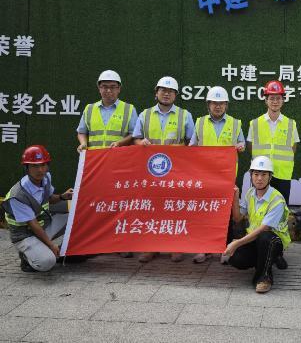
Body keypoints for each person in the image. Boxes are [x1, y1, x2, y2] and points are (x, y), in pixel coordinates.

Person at [133, 76, 195, 263]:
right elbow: (136, 138)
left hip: (176, 171)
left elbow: (192, 143)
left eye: (170, 91)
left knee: (174, 208)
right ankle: (150, 248)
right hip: (150, 170)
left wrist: (180, 150)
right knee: (151, 209)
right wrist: (141, 143)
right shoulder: (145, 115)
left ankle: (175, 247)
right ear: (156, 93)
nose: (166, 94)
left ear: (175, 95)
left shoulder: (185, 115)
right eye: (163, 90)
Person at [190, 86, 245, 264]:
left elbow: (242, 143)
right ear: (208, 104)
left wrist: (241, 146)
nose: (218, 106)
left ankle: (224, 250)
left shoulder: (235, 123)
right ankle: (203, 249)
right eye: (214, 103)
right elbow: (192, 147)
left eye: (221, 103)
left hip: (226, 177)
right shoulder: (199, 123)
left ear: (226, 105)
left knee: (225, 214)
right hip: (205, 176)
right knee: (204, 212)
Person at [225, 156, 291, 294]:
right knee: (236, 259)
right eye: (256, 174)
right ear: (251, 175)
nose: (259, 178)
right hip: (255, 239)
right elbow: (237, 218)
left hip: (274, 241)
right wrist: (235, 196)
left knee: (265, 237)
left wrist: (237, 243)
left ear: (270, 177)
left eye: (264, 174)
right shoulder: (250, 193)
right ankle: (268, 260)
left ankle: (264, 277)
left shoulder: (276, 200)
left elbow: (263, 229)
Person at [2, 146, 73, 272]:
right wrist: (51, 245)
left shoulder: (46, 178)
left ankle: (60, 250)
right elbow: (33, 225)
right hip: (24, 235)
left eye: (43, 165)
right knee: (48, 262)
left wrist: (62, 197)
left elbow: (49, 198)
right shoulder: (18, 195)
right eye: (34, 166)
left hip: (42, 225)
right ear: (27, 168)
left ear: (47, 166)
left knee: (74, 218)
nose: (40, 170)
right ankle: (26, 257)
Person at [247, 80, 299, 206]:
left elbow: (294, 147)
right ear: (266, 100)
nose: (275, 101)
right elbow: (250, 146)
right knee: (259, 209)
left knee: (281, 209)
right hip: (261, 175)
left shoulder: (291, 124)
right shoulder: (255, 123)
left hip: (283, 175)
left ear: (283, 100)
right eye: (271, 98)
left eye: (278, 98)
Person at [76, 69, 138, 152]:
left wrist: (120, 143)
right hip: (95, 157)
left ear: (119, 89)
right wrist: (83, 143)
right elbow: (81, 132)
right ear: (99, 88)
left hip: (119, 156)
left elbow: (134, 134)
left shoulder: (129, 109)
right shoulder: (89, 108)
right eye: (105, 86)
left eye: (112, 87)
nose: (108, 90)